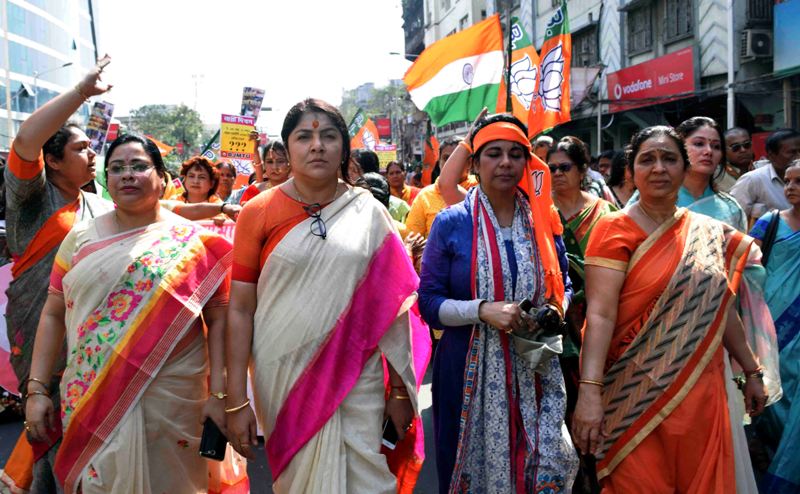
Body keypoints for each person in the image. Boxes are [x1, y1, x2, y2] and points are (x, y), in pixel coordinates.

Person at [225, 98, 420, 493]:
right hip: (281, 374)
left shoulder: (368, 212)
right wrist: (234, 400)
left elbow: (395, 306)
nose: (317, 146)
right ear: (287, 147)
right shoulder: (257, 212)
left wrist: (399, 390)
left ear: (343, 148)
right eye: (304, 137)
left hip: (356, 375)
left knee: (367, 480)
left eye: (329, 136)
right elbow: (241, 309)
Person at [24, 133, 232, 493]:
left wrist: (219, 396)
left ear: (164, 179)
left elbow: (221, 321)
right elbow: (54, 312)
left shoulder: (194, 242)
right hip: (92, 393)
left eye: (138, 166)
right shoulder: (80, 238)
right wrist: (37, 390)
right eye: (116, 168)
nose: (127, 175)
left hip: (173, 398)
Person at [572, 125, 769, 492]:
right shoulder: (613, 230)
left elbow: (720, 308)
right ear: (630, 173)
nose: (659, 168)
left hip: (700, 390)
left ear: (683, 167)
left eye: (669, 159)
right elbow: (599, 315)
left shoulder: (708, 232)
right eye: (647, 159)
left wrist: (751, 370)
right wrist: (589, 393)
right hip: (632, 392)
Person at [418, 113, 578, 493]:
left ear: (527, 163)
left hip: (536, 369)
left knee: (545, 464)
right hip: (465, 370)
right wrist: (482, 310)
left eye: (515, 154)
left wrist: (557, 309)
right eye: (493, 153)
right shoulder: (451, 223)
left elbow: (565, 283)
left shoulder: (543, 219)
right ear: (474, 164)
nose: (505, 162)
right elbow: (428, 302)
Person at [2, 57, 114, 493]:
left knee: (84, 428)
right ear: (51, 159)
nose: (93, 155)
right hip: (39, 330)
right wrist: (81, 93)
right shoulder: (32, 196)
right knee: (49, 423)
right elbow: (27, 137)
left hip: (91, 332)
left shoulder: (98, 205)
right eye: (82, 148)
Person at [749, 159, 800, 492]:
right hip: (769, 329)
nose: (791, 187)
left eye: (799, 181)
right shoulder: (769, 223)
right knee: (772, 399)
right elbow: (744, 266)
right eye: (787, 181)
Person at [406, 137, 478, 238]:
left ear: (469, 163)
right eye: (446, 158)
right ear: (439, 162)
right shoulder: (425, 196)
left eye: (456, 158)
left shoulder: (481, 189)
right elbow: (412, 239)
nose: (450, 163)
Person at [731, 129, 799, 224]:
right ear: (772, 155)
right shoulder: (752, 180)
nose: (798, 157)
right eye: (792, 152)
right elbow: (733, 221)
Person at [238, 140, 291, 204]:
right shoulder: (253, 191)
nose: (274, 167)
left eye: (280, 161)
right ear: (264, 165)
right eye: (270, 162)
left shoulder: (300, 191)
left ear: (289, 163)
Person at [720, 127, 755, 192]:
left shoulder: (763, 168)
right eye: (736, 147)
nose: (743, 150)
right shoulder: (717, 175)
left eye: (747, 145)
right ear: (724, 151)